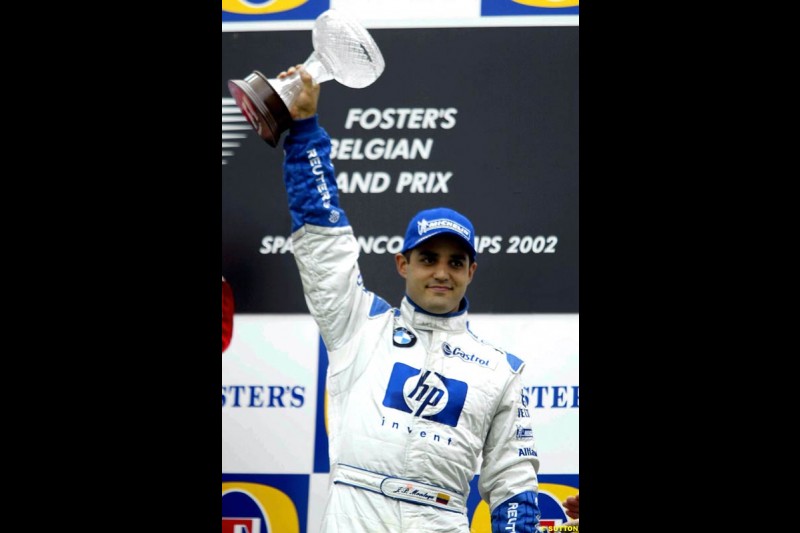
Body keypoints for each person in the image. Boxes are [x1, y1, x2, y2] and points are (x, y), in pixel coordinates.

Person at [275, 64, 545, 532]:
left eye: (456, 262)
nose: (442, 272)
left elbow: (513, 485)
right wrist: (303, 130)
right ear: (403, 265)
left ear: (471, 272)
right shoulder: (359, 324)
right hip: (355, 515)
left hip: (440, 519)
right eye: (428, 258)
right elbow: (322, 236)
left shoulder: (501, 370)